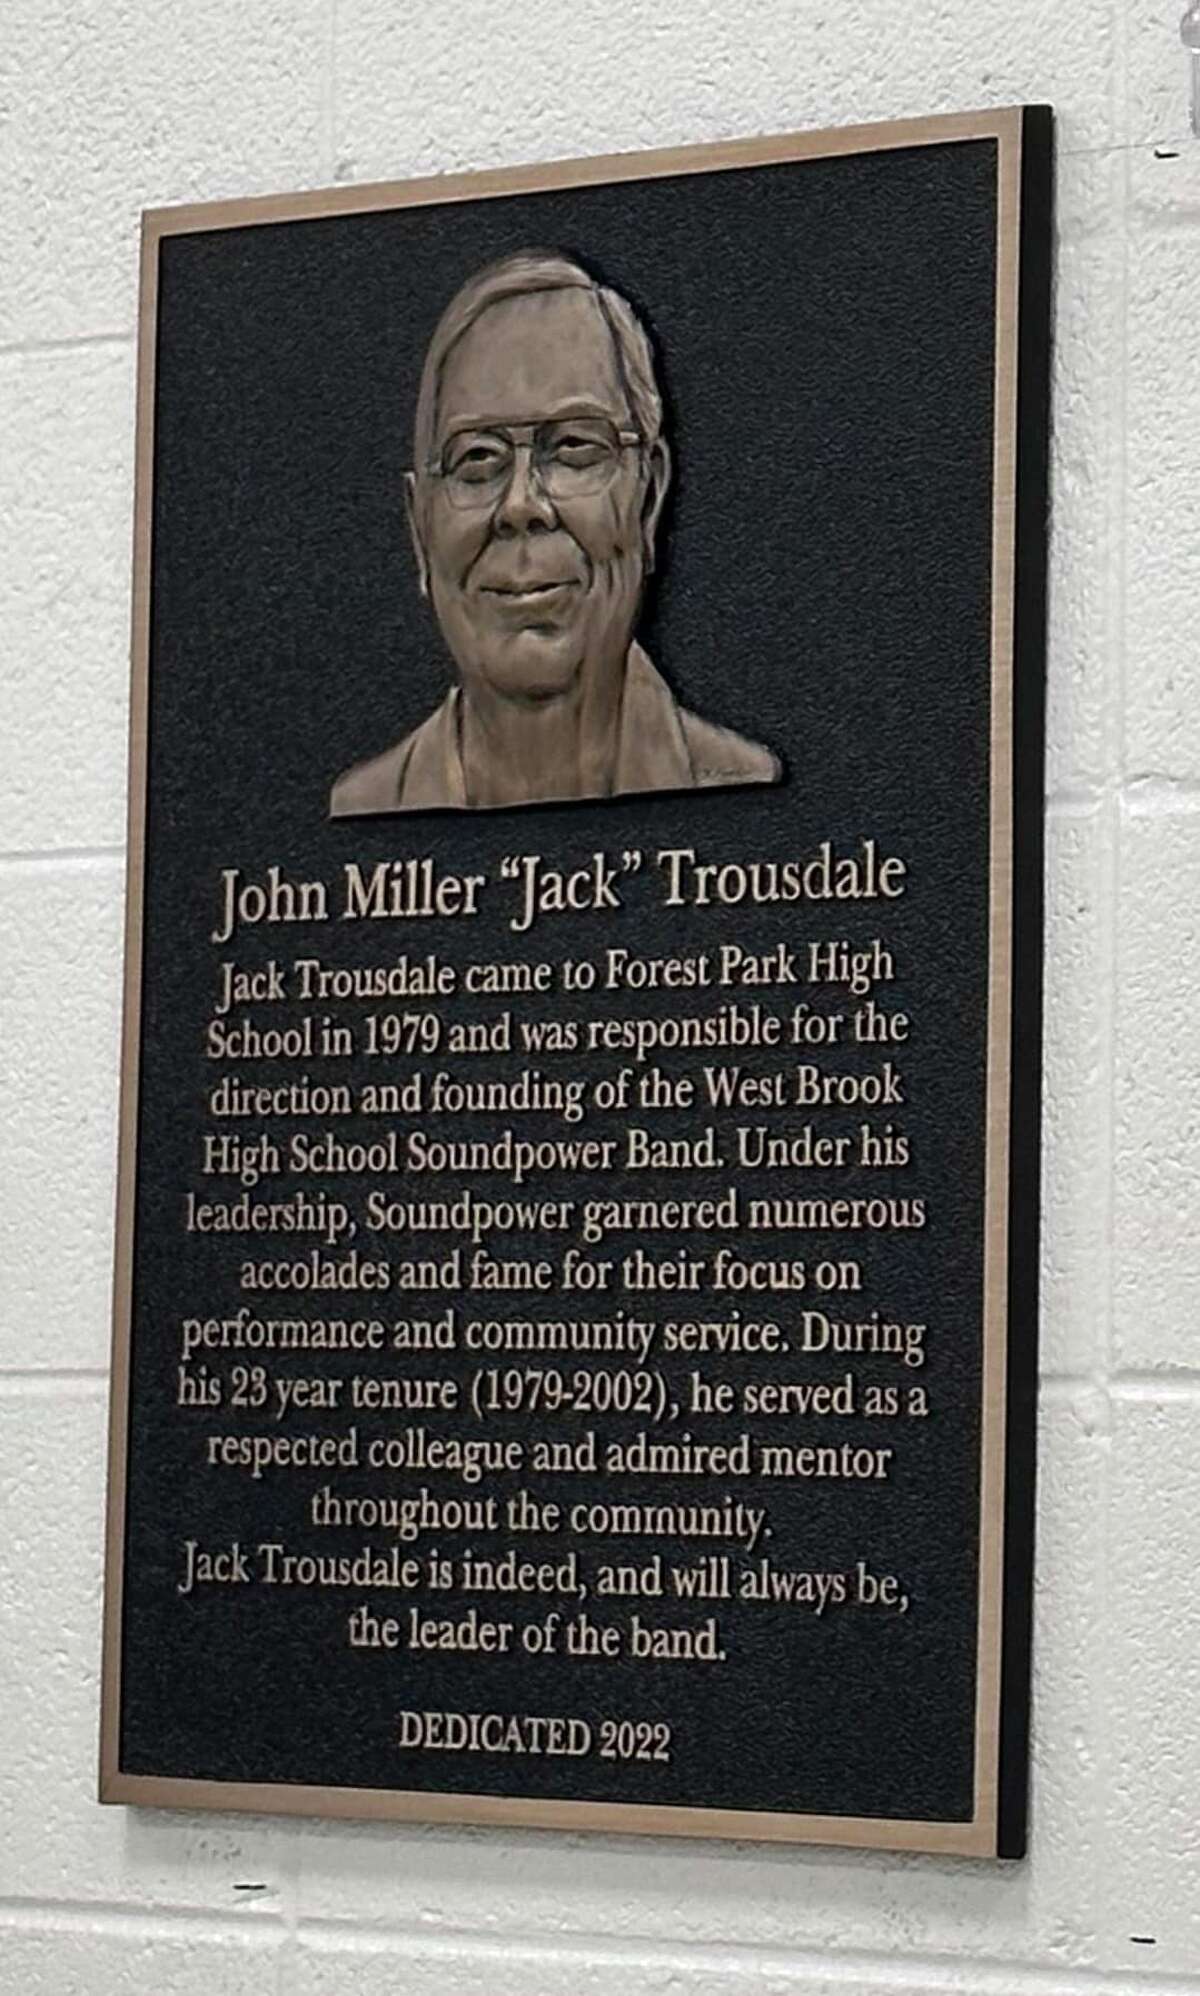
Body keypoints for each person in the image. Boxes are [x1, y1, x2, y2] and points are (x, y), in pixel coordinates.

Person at [330, 249, 780, 815]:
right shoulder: (367, 803)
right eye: (477, 458)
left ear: (649, 498)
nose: (521, 503)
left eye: (572, 448)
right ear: (420, 526)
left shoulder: (733, 782)